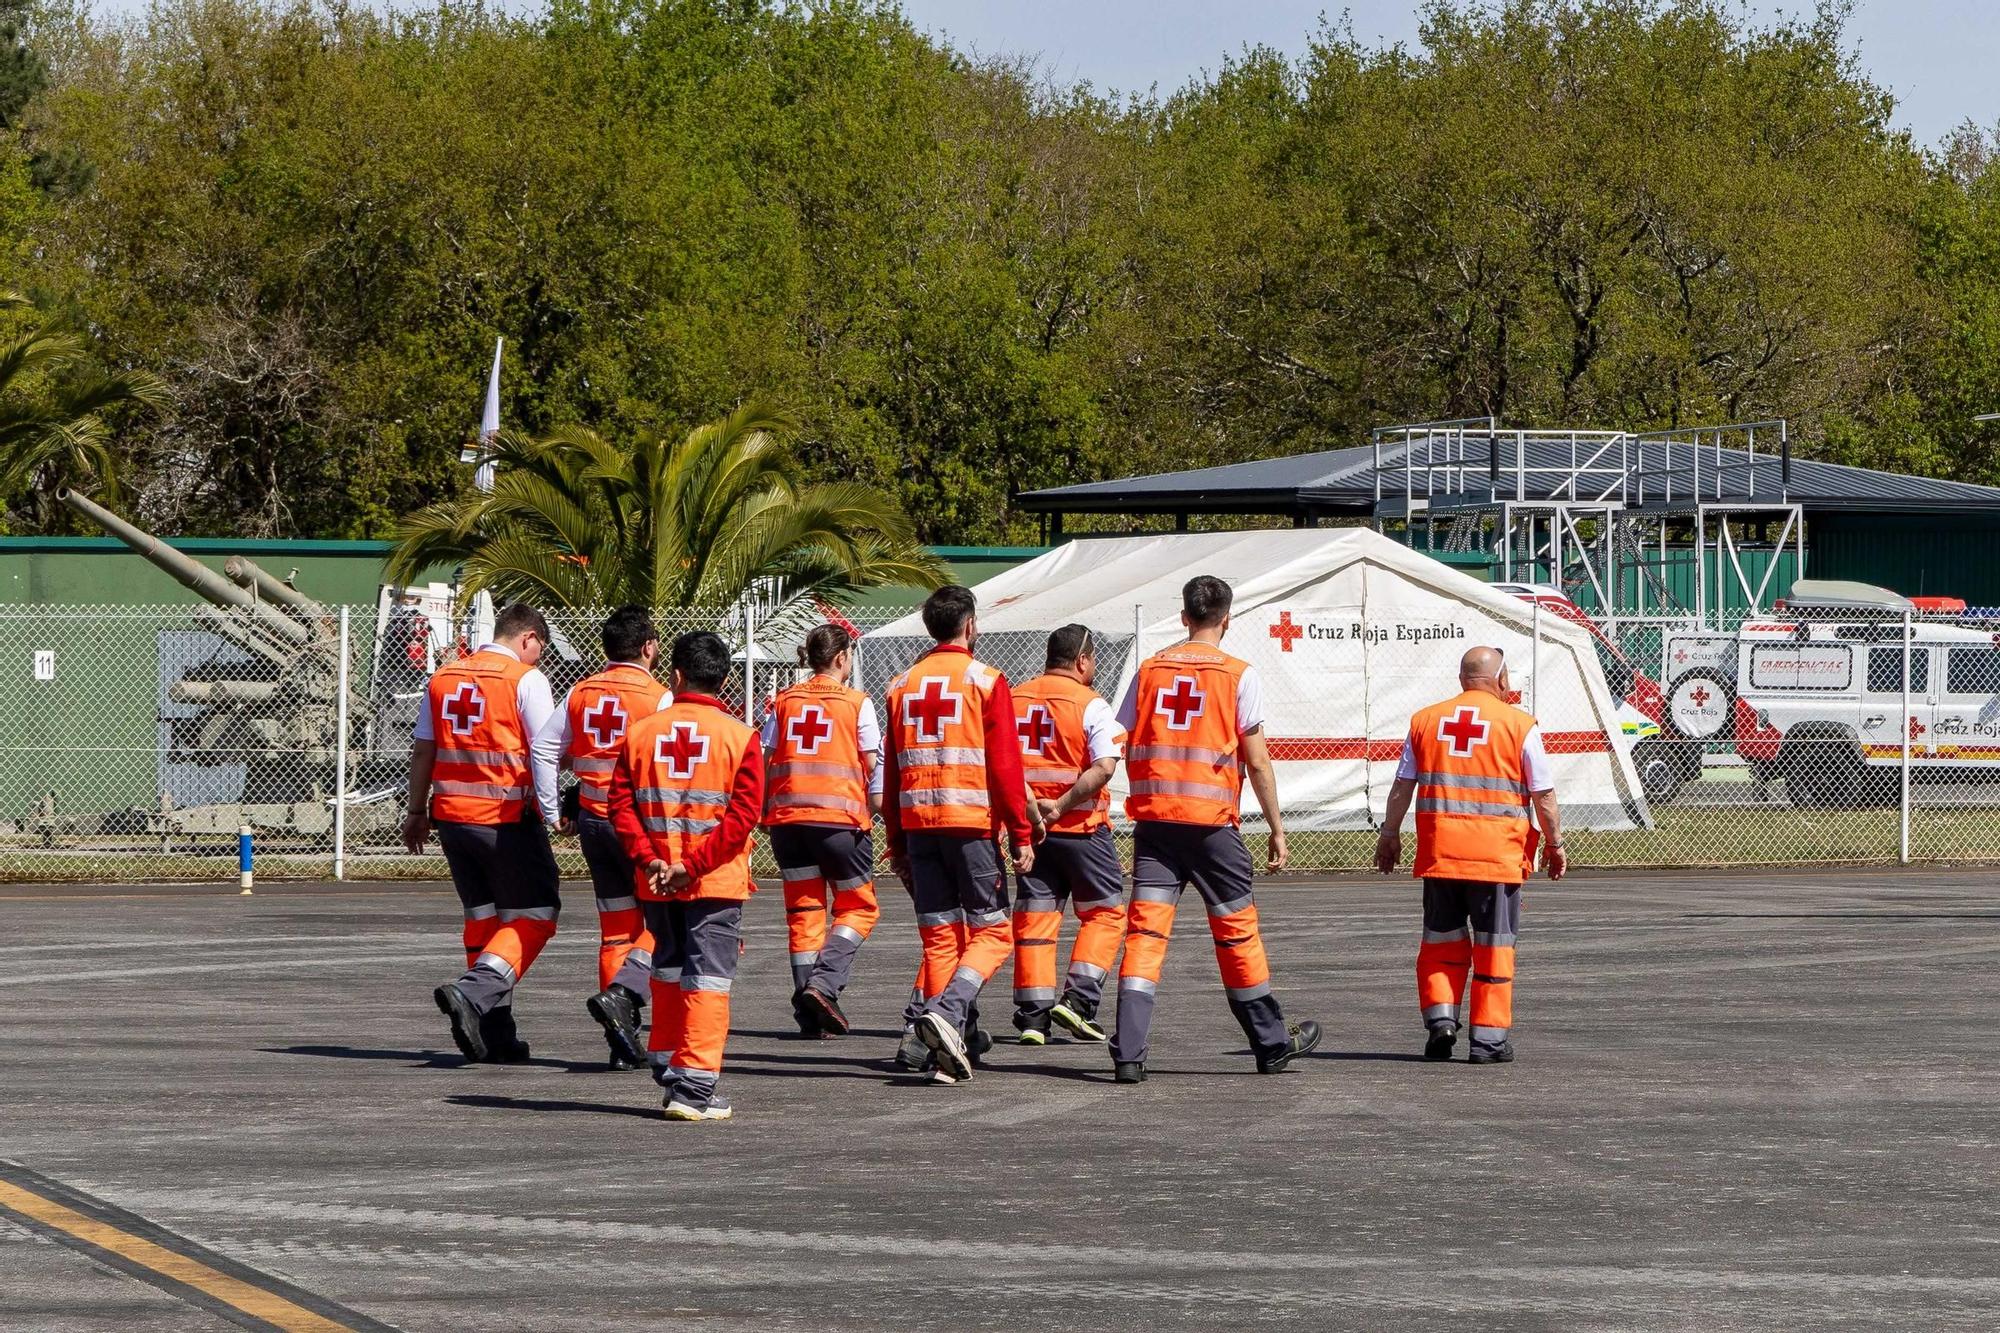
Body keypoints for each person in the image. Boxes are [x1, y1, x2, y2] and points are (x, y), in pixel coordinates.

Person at [1108, 575, 1319, 1083]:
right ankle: (1271, 1045)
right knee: (1236, 935)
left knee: (1145, 936)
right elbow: (1258, 760)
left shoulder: (1149, 670)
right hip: (1211, 830)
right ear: (1227, 618)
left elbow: (1118, 737)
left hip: (1155, 826)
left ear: (1184, 617)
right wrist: (1276, 827)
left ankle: (1129, 1054)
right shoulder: (1239, 675)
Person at [1372, 645, 1565, 1065]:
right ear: (1503, 679)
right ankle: (1488, 1042)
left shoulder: (1425, 721)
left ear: (1463, 679)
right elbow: (1543, 794)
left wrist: (1389, 834)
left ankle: (1441, 1022)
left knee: (1441, 944)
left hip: (1442, 857)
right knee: (1494, 950)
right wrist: (1554, 843)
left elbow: (1403, 784)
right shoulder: (1520, 725)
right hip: (1497, 860)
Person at [607, 631, 765, 1122]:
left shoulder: (641, 733)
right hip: (712, 882)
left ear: (675, 676)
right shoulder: (740, 737)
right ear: (724, 681)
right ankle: (694, 1086)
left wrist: (650, 859)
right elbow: (743, 818)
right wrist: (690, 866)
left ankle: (667, 1061)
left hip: (655, 880)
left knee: (668, 970)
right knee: (710, 980)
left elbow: (619, 804)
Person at [883, 585, 1037, 1084]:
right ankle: (947, 1015)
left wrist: (896, 842)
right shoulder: (986, 681)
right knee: (993, 931)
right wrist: (1021, 834)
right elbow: (1005, 767)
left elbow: (889, 776)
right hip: (970, 826)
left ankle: (944, 1045)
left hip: (918, 826)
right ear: (970, 625)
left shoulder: (900, 685)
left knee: (941, 938)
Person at [404, 602, 562, 1064]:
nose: (538, 658)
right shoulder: (525, 680)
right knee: (534, 915)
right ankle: (474, 993)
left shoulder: (444, 678)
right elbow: (544, 752)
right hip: (506, 819)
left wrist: (416, 810)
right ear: (528, 637)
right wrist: (552, 811)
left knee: (485, 920)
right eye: (540, 649)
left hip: (451, 819)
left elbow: (423, 749)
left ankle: (495, 1034)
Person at [531, 606, 672, 1071]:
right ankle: (624, 998)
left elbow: (545, 747)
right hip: (642, 827)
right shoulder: (659, 696)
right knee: (664, 922)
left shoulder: (580, 691)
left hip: (593, 820)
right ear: (649, 647)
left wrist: (553, 810)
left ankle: (621, 1042)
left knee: (615, 930)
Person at [762, 623, 884, 1038]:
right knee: (859, 908)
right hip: (839, 824)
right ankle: (823, 984)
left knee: (804, 913)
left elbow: (767, 757)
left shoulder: (783, 701)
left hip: (788, 824)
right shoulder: (856, 703)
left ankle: (809, 1008)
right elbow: (872, 764)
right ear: (841, 658)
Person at [1008, 623, 1126, 1045]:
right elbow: (1105, 767)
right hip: (1082, 831)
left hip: (1031, 833)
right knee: (1104, 913)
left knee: (1035, 919)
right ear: (1081, 661)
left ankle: (1032, 1018)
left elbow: (1004, 766)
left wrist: (1030, 810)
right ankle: (1077, 1001)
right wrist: (1060, 806)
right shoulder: (1091, 703)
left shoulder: (1014, 698)